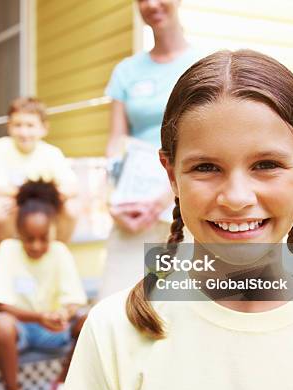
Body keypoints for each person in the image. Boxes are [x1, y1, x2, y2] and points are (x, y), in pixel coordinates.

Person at [59, 50, 293, 390]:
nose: (236, 198)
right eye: (206, 167)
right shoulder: (113, 331)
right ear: (171, 174)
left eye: (266, 164)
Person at [100, 0, 200, 298]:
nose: (151, 4)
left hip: (185, 197)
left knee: (178, 299)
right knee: (116, 299)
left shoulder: (202, 65)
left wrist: (169, 194)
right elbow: (116, 141)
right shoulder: (126, 72)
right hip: (134, 203)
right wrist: (112, 198)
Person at [0, 179, 87, 390]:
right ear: (19, 231)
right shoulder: (8, 250)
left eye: (43, 239)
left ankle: (62, 384)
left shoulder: (60, 251)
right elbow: (1, 305)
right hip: (21, 328)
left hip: (52, 327)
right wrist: (39, 318)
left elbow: (73, 301)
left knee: (88, 321)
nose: (37, 246)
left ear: (52, 231)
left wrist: (63, 313)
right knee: (2, 325)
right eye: (30, 238)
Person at [0, 97, 78, 253]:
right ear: (9, 126)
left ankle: (55, 255)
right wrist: (32, 196)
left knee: (72, 208)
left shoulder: (52, 153)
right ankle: (3, 259)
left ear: (44, 128)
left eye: (30, 125)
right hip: (13, 207)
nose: (24, 132)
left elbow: (72, 187)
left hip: (42, 208)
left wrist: (44, 197)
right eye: (18, 125)